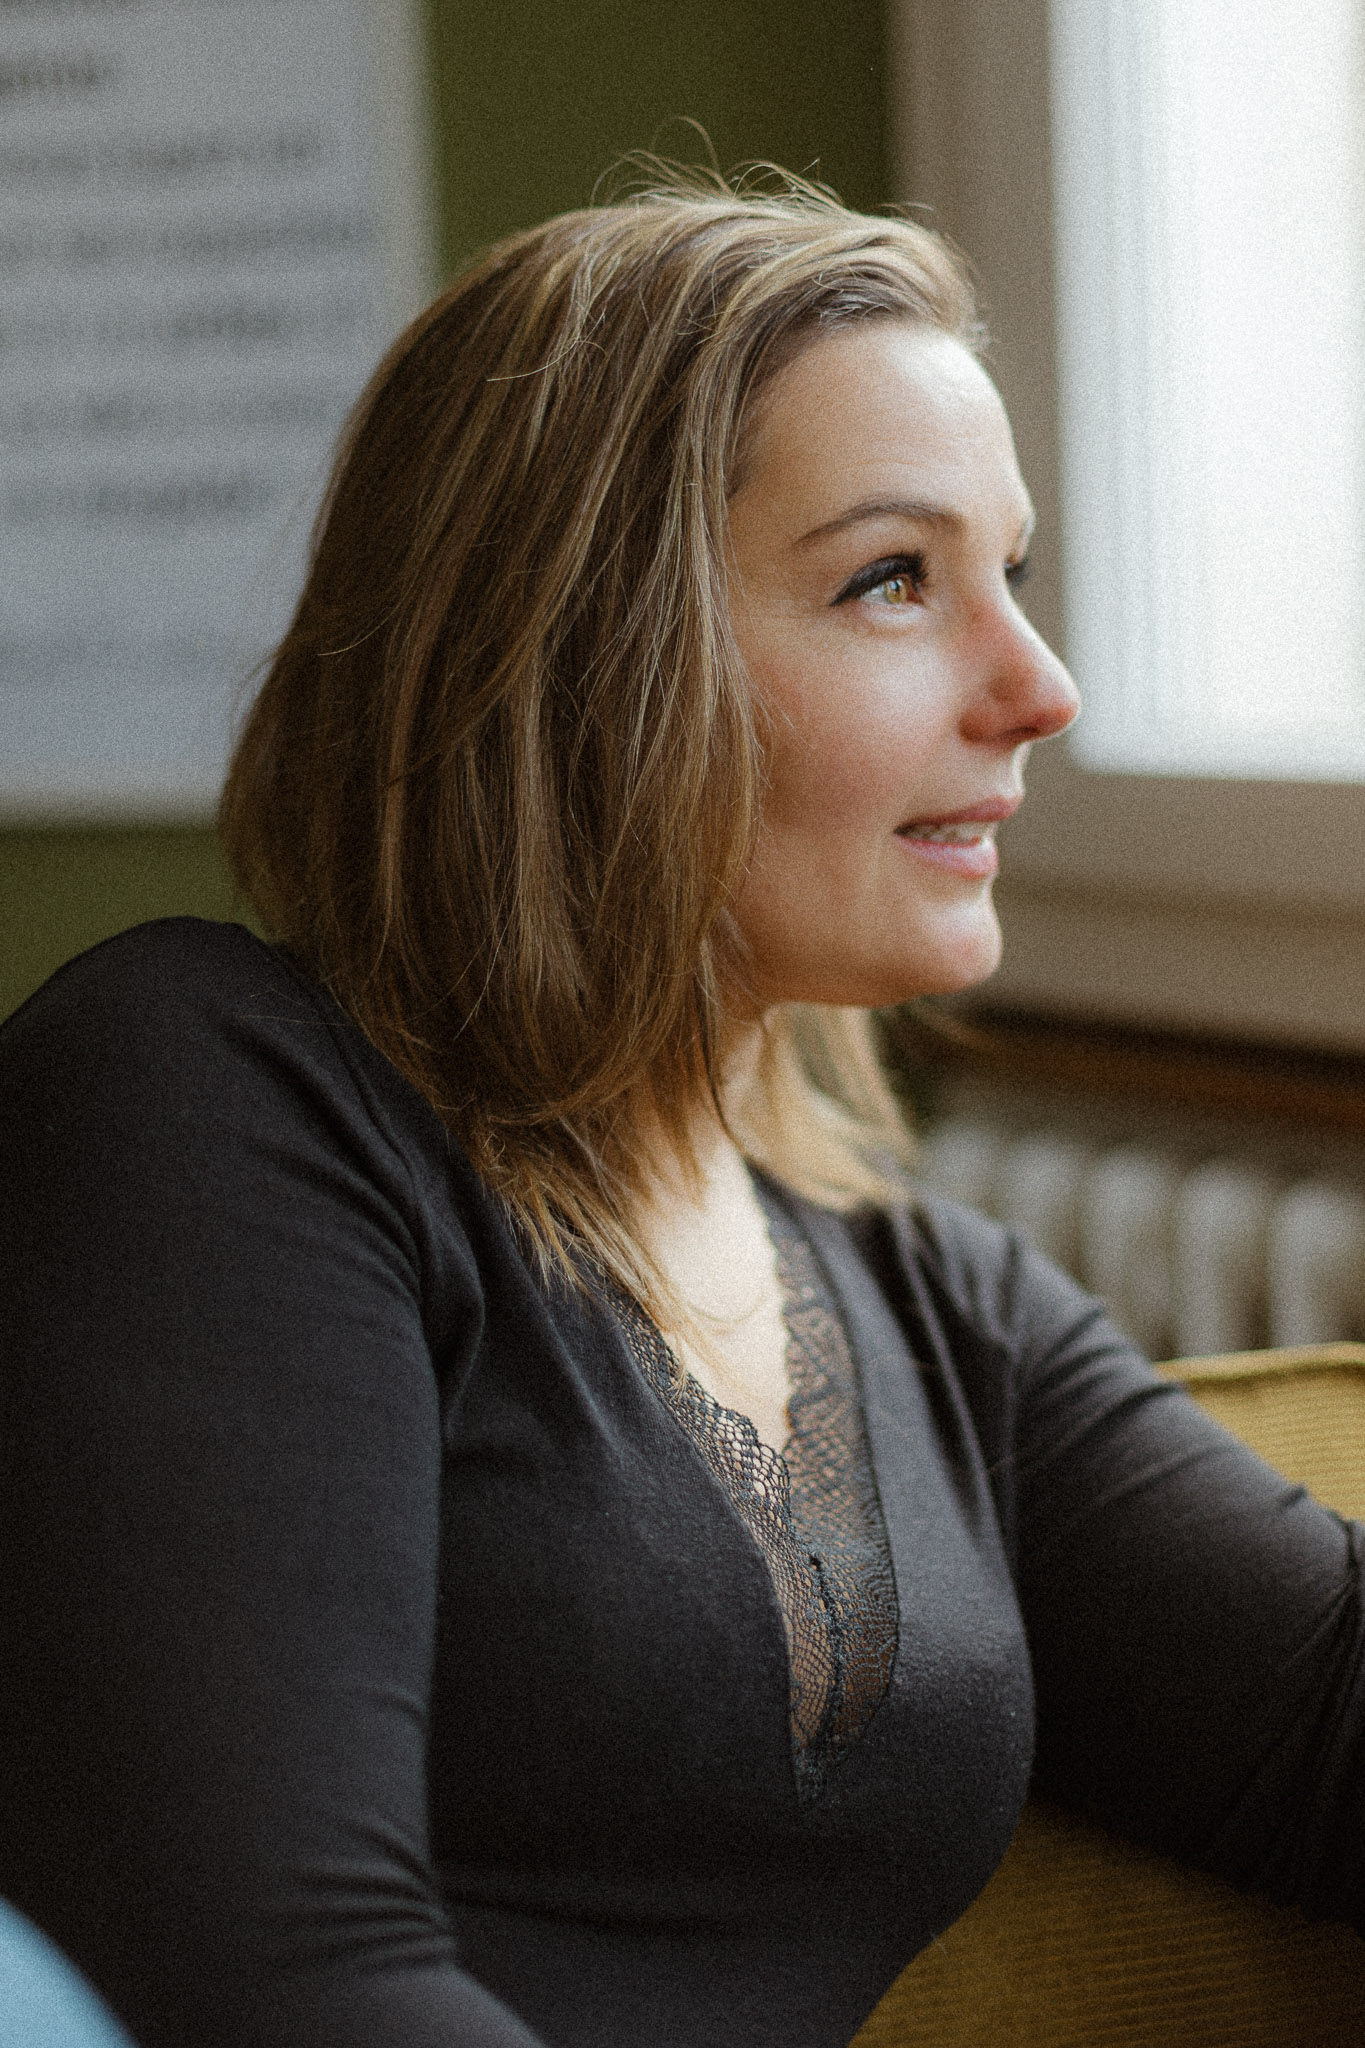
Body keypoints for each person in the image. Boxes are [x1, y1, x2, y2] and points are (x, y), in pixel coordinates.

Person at [1, 170, 1362, 2048]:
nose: (1038, 689)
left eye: (1011, 577)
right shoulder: (214, 1097)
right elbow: (272, 1977)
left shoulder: (932, 1298)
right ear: (581, 658)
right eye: (892, 580)